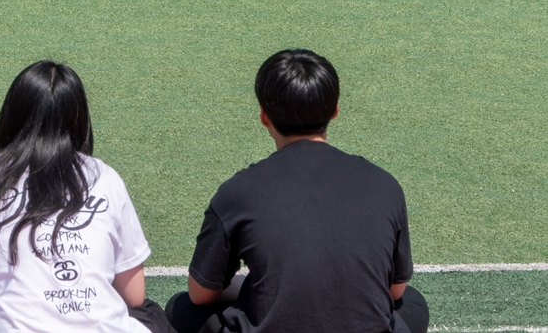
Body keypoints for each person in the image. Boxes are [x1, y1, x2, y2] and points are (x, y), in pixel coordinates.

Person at [166, 50, 425, 333]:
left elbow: (201, 293)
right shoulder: (383, 184)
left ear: (264, 116)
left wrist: (245, 287)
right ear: (335, 110)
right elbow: (396, 289)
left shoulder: (237, 192)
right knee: (412, 303)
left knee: (181, 308)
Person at [0, 61, 171, 333]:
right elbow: (134, 295)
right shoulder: (104, 176)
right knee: (154, 312)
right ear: (78, 118)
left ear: (11, 115)